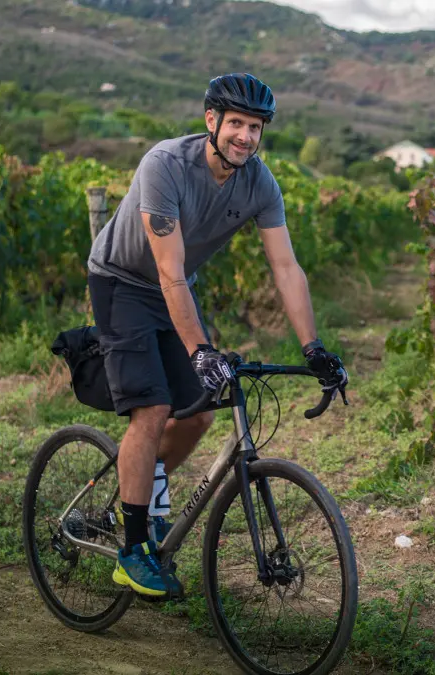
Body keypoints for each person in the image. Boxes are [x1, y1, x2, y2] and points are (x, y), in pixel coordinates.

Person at [86, 72, 348, 598]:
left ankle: (144, 490)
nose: (245, 137)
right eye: (236, 124)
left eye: (255, 127)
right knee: (152, 408)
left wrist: (313, 348)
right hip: (123, 281)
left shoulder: (260, 183)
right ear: (212, 120)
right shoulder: (165, 164)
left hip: (176, 289)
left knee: (200, 412)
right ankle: (132, 550)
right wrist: (200, 350)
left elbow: (286, 267)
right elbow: (168, 271)